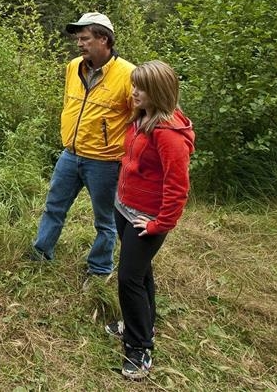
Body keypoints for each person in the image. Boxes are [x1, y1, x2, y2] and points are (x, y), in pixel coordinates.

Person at [28, 12, 135, 280]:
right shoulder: (74, 66)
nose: (79, 43)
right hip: (70, 154)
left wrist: (130, 159)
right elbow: (70, 103)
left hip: (105, 161)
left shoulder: (128, 74)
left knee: (105, 220)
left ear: (104, 39)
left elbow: (138, 120)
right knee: (54, 206)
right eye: (78, 38)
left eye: (85, 38)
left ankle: (99, 270)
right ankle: (41, 254)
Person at [106, 60, 195, 380]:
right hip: (125, 208)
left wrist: (160, 224)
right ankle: (141, 323)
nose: (133, 92)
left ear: (158, 92)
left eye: (140, 88)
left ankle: (139, 346)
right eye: (134, 85)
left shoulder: (169, 135)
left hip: (146, 219)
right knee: (141, 275)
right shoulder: (141, 119)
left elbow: (177, 187)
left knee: (128, 279)